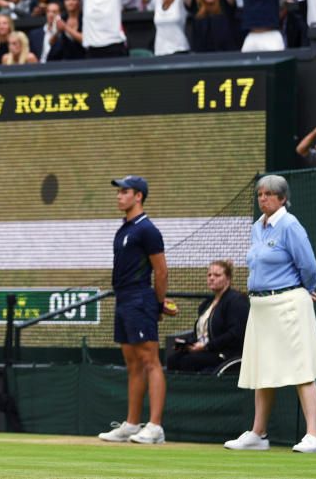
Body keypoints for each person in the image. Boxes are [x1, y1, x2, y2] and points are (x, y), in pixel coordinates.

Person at [225, 175, 316, 454]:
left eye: (269, 194)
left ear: (283, 199)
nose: (263, 199)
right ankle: (258, 434)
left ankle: (314, 436)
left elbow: (309, 265)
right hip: (261, 307)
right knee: (262, 370)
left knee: (301, 368)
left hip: (288, 303)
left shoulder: (290, 225)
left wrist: (308, 289)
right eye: (260, 194)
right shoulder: (257, 227)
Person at [98, 175, 169, 445]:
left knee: (150, 360)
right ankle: (131, 424)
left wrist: (159, 304)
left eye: (124, 192)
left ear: (138, 196)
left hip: (141, 298)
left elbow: (161, 271)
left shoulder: (147, 229)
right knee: (132, 362)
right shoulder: (124, 228)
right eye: (119, 192)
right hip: (123, 299)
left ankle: (156, 427)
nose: (119, 196)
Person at [167, 261, 250, 372]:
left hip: (225, 353)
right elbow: (202, 333)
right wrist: (187, 343)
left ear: (228, 279)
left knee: (188, 362)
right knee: (173, 359)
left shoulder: (236, 300)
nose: (211, 278)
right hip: (206, 350)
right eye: (209, 275)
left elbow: (235, 334)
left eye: (217, 275)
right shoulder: (206, 304)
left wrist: (207, 346)